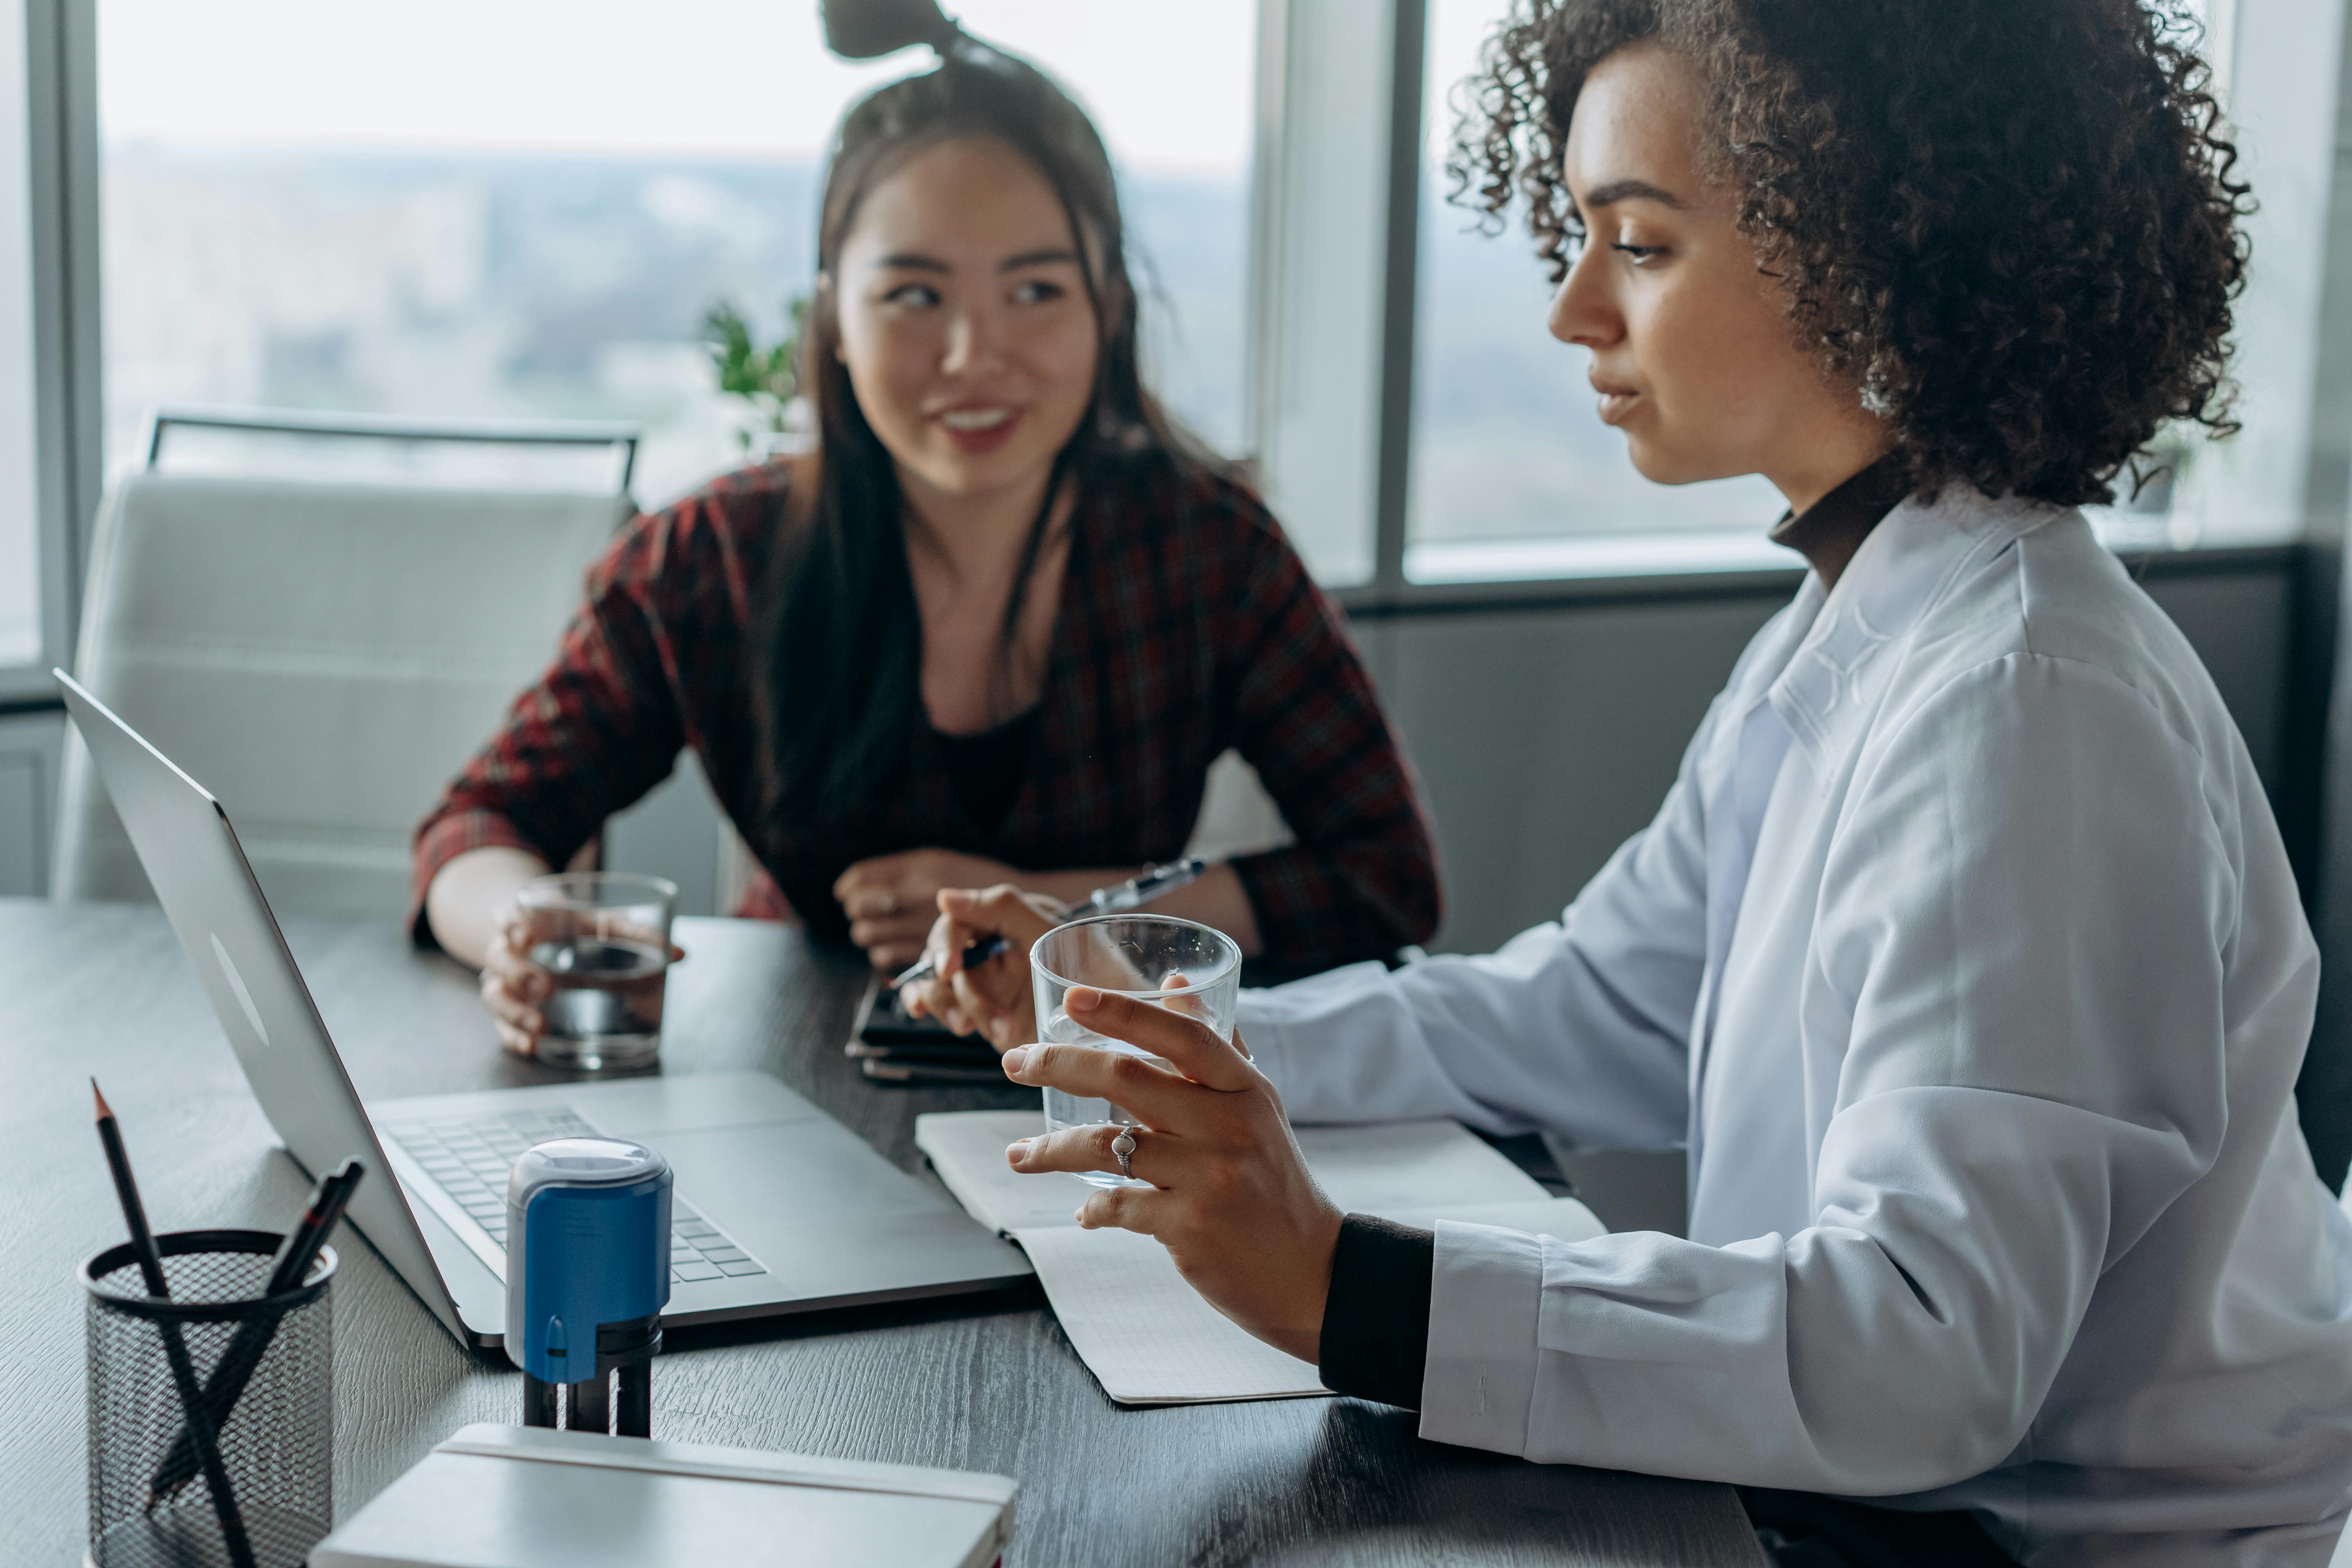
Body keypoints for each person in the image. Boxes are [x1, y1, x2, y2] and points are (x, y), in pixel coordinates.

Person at [903, 0, 2352, 1561]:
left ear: (1873, 250)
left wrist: (1345, 1287)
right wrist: (1158, 1037)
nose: (1573, 310)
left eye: (1641, 246)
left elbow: (1924, 1349)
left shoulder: (2026, 705)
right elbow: (1596, 1006)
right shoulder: (1876, 620)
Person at [411, 18, 1441, 1056]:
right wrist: (519, 935)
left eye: (1035, 290)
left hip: (1109, 1107)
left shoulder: (1212, 555)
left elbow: (1390, 875)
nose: (973, 355)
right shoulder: (712, 559)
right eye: (914, 295)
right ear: (834, 321)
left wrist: (1058, 909)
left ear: (1110, 310)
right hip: (788, 1098)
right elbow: (478, 825)